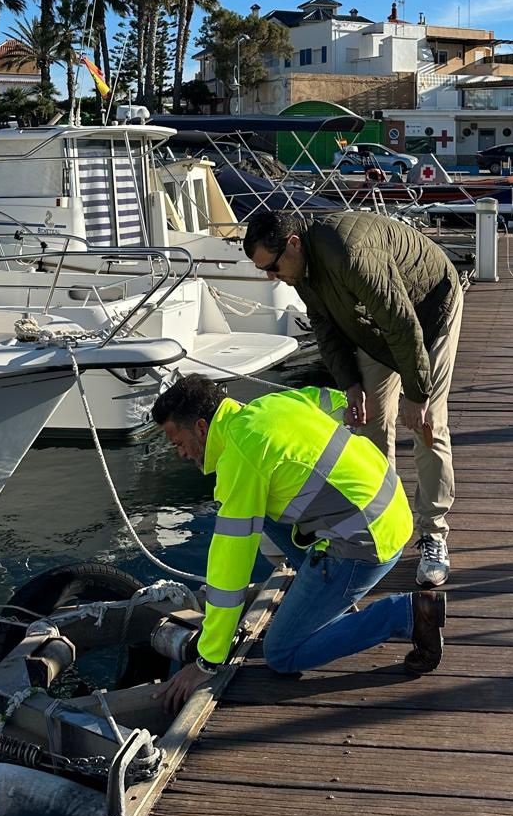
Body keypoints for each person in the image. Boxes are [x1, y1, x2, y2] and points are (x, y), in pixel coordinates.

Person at [153, 374, 446, 715]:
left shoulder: (240, 457)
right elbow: (332, 400)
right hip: (389, 506)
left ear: (201, 428)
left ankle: (407, 614)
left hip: (366, 543)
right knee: (261, 510)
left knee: (282, 653)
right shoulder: (269, 406)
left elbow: (229, 565)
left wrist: (207, 660)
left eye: (178, 443)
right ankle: (330, 596)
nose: (180, 453)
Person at [243, 208, 462, 588]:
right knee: (371, 423)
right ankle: (385, 524)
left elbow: (403, 324)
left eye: (273, 268)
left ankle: (433, 533)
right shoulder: (299, 268)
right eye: (265, 271)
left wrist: (416, 392)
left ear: (293, 244)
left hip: (430, 307)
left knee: (427, 425)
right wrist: (351, 385)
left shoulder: (351, 252)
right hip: (378, 325)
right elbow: (325, 326)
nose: (271, 277)